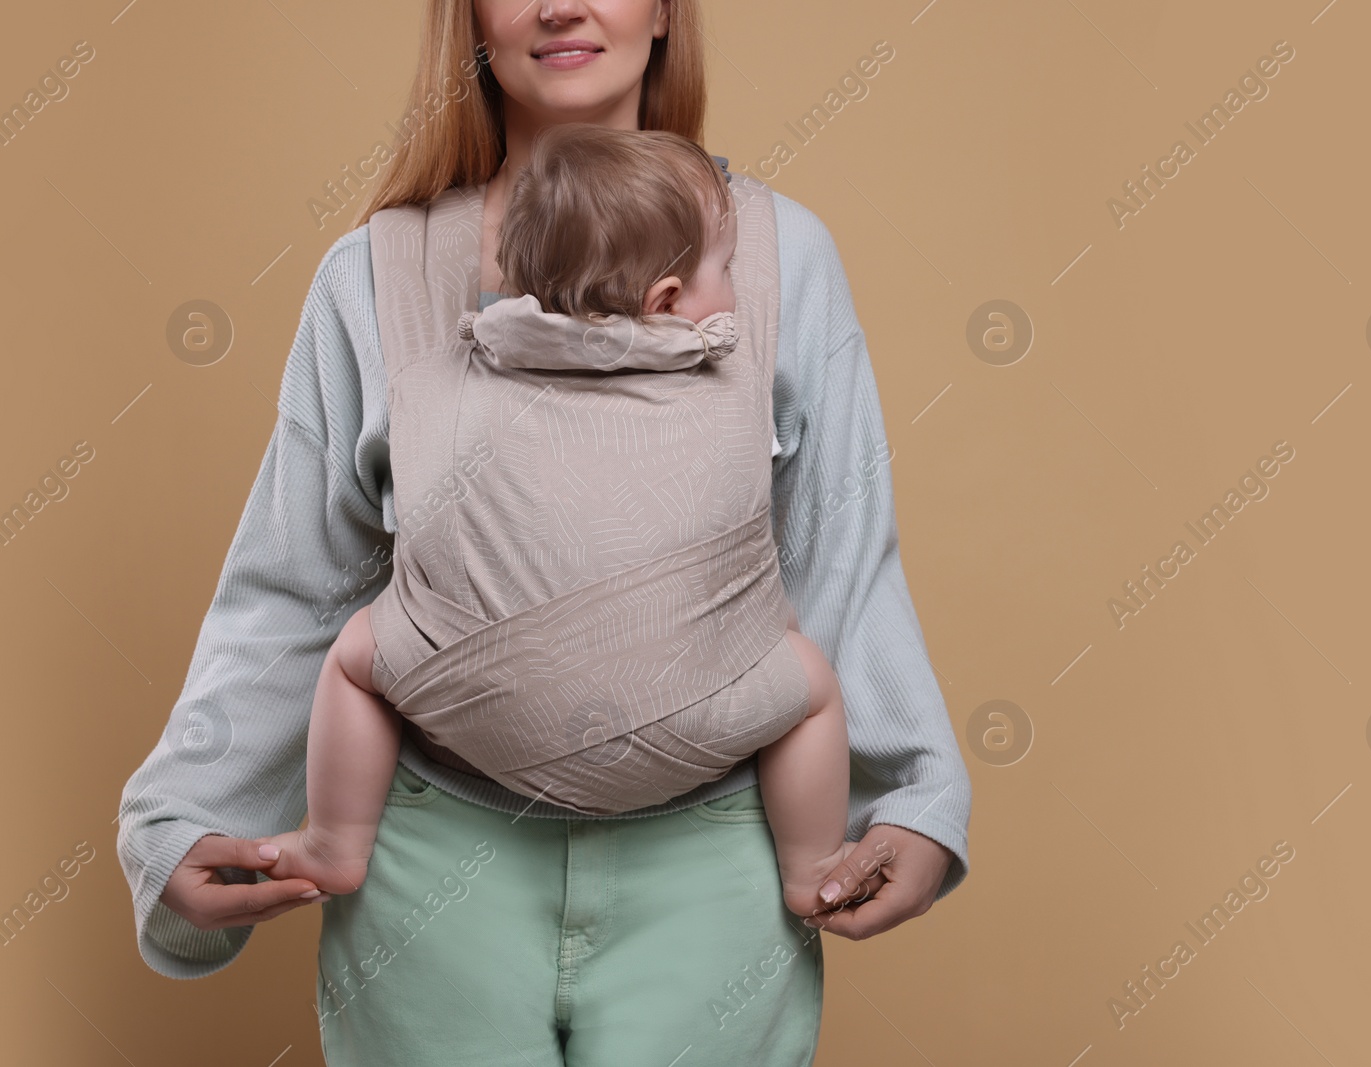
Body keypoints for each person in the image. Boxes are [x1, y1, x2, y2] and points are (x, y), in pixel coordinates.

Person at [117, 1, 971, 1063]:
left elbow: (837, 551)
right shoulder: (372, 275)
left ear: (664, 9)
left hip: (714, 870)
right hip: (429, 871)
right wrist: (186, 813)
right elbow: (296, 588)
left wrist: (917, 797)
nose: (560, 2)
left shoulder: (784, 255)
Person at [263, 122, 853, 920]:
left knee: (355, 654)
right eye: (724, 270)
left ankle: (336, 841)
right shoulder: (723, 379)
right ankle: (811, 865)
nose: (737, 293)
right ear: (667, 302)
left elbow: (303, 572)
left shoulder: (453, 370)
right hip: (698, 729)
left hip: (478, 722)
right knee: (812, 684)